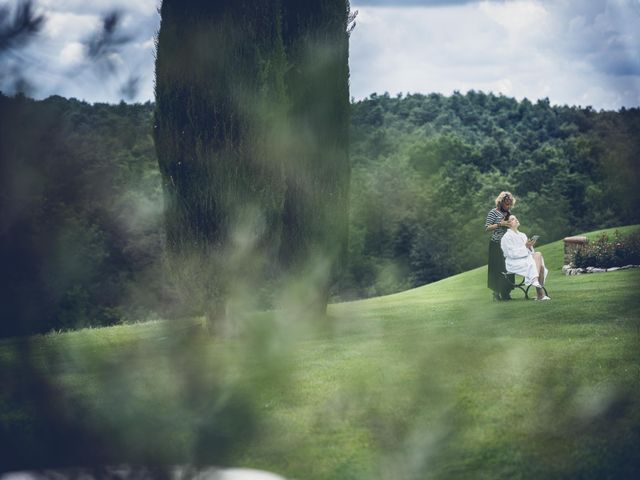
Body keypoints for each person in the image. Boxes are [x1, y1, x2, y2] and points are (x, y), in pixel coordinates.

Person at [500, 215, 550, 301]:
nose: (516, 220)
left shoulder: (523, 235)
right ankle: (540, 293)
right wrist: (525, 247)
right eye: (512, 219)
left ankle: (535, 281)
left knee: (538, 254)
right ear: (508, 224)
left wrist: (529, 246)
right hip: (513, 262)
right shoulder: (506, 237)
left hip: (525, 259)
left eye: (516, 218)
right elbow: (510, 254)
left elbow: (530, 252)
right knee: (539, 265)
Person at [485, 191, 515, 301]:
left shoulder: (508, 213)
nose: (508, 206)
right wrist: (499, 224)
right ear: (501, 202)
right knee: (497, 269)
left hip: (507, 245)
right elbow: (487, 228)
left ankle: (506, 292)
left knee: (508, 267)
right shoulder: (493, 212)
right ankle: (496, 293)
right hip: (496, 244)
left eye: (510, 204)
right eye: (507, 204)